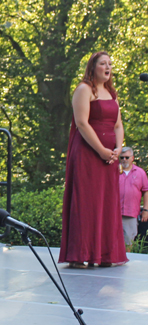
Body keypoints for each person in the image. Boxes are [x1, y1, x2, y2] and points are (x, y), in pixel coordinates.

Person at [59, 51, 128, 268]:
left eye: (110, 64)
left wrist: (117, 149)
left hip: (109, 157)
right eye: (103, 64)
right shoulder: (84, 89)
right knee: (86, 203)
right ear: (93, 67)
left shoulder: (112, 94)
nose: (107, 67)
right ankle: (79, 255)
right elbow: (82, 124)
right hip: (89, 155)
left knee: (106, 203)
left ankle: (105, 254)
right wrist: (101, 150)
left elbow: (118, 125)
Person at [119, 147, 148, 250]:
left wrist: (145, 209)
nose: (124, 160)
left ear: (132, 158)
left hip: (130, 212)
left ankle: (127, 262)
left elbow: (146, 191)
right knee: (112, 240)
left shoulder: (140, 173)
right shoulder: (114, 172)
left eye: (127, 157)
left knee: (128, 241)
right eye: (122, 157)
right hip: (114, 213)